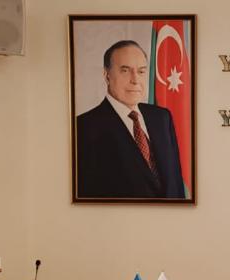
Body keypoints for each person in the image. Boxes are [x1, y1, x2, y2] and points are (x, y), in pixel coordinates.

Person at [76, 40, 185, 199]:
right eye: (125, 71)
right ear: (107, 75)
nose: (135, 80)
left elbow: (175, 182)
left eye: (141, 71)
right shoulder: (83, 127)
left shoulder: (162, 118)